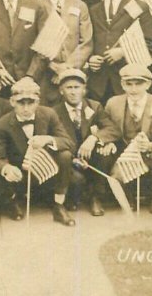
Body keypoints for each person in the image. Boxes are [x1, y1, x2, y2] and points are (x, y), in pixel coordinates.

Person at [0, 78, 77, 226]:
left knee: (65, 155)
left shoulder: (49, 114)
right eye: (20, 103)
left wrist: (48, 139)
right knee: (0, 175)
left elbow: (69, 143)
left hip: (45, 171)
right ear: (12, 102)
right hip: (20, 174)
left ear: (37, 102)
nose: (26, 108)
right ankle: (13, 202)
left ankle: (58, 205)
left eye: (30, 103)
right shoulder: (3, 124)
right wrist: (6, 168)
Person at [104, 64, 152, 213]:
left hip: (150, 155)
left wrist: (149, 146)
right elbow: (107, 130)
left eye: (139, 84)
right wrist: (108, 142)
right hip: (126, 156)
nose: (134, 89)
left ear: (148, 84)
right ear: (122, 84)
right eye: (129, 84)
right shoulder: (113, 104)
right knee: (116, 177)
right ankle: (128, 196)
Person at [53, 69, 120, 216]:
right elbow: (54, 140)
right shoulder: (54, 112)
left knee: (103, 152)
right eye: (68, 88)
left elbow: (112, 129)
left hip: (90, 157)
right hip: (69, 159)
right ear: (61, 91)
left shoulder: (94, 106)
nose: (73, 92)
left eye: (77, 87)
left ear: (84, 90)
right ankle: (71, 197)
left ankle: (96, 197)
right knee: (77, 179)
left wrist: (94, 138)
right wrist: (73, 159)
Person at [87, 0, 146, 103]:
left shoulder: (138, 6)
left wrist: (123, 52)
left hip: (127, 79)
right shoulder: (94, 9)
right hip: (99, 82)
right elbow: (89, 39)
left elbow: (150, 42)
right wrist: (90, 59)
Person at [36, 0, 93, 106]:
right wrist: (53, 66)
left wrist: (67, 67)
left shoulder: (79, 6)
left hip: (73, 73)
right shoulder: (37, 6)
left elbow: (86, 42)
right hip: (46, 74)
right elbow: (32, 40)